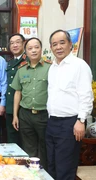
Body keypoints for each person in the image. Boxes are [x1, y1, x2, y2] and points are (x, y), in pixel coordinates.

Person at [46, 29, 93, 180]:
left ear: (70, 44)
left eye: (62, 43)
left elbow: (86, 95)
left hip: (70, 124)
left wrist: (81, 120)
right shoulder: (52, 67)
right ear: (51, 47)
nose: (58, 47)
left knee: (65, 168)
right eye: (54, 44)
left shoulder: (79, 65)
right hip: (52, 122)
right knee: (51, 165)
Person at [11, 37, 51, 170]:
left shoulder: (50, 68)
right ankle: (31, 175)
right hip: (25, 114)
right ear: (25, 52)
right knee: (28, 147)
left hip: (44, 115)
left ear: (41, 49)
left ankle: (44, 176)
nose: (33, 50)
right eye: (30, 48)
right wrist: (15, 115)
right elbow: (18, 92)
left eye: (36, 47)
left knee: (45, 147)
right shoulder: (21, 70)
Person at [5, 33, 28, 146]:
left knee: (24, 140)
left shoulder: (28, 60)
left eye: (17, 42)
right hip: (10, 106)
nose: (14, 45)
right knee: (12, 139)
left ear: (24, 43)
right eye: (12, 43)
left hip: (23, 107)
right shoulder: (10, 62)